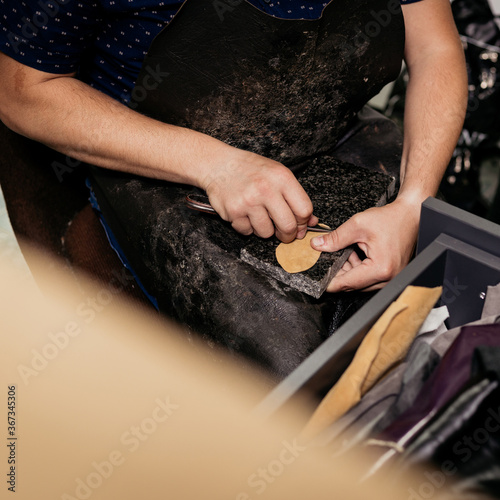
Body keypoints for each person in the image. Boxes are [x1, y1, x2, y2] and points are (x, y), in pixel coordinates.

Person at [0, 0, 467, 295]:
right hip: (148, 161)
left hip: (325, 131)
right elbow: (22, 90)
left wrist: (413, 203)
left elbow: (434, 50)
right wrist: (215, 165)